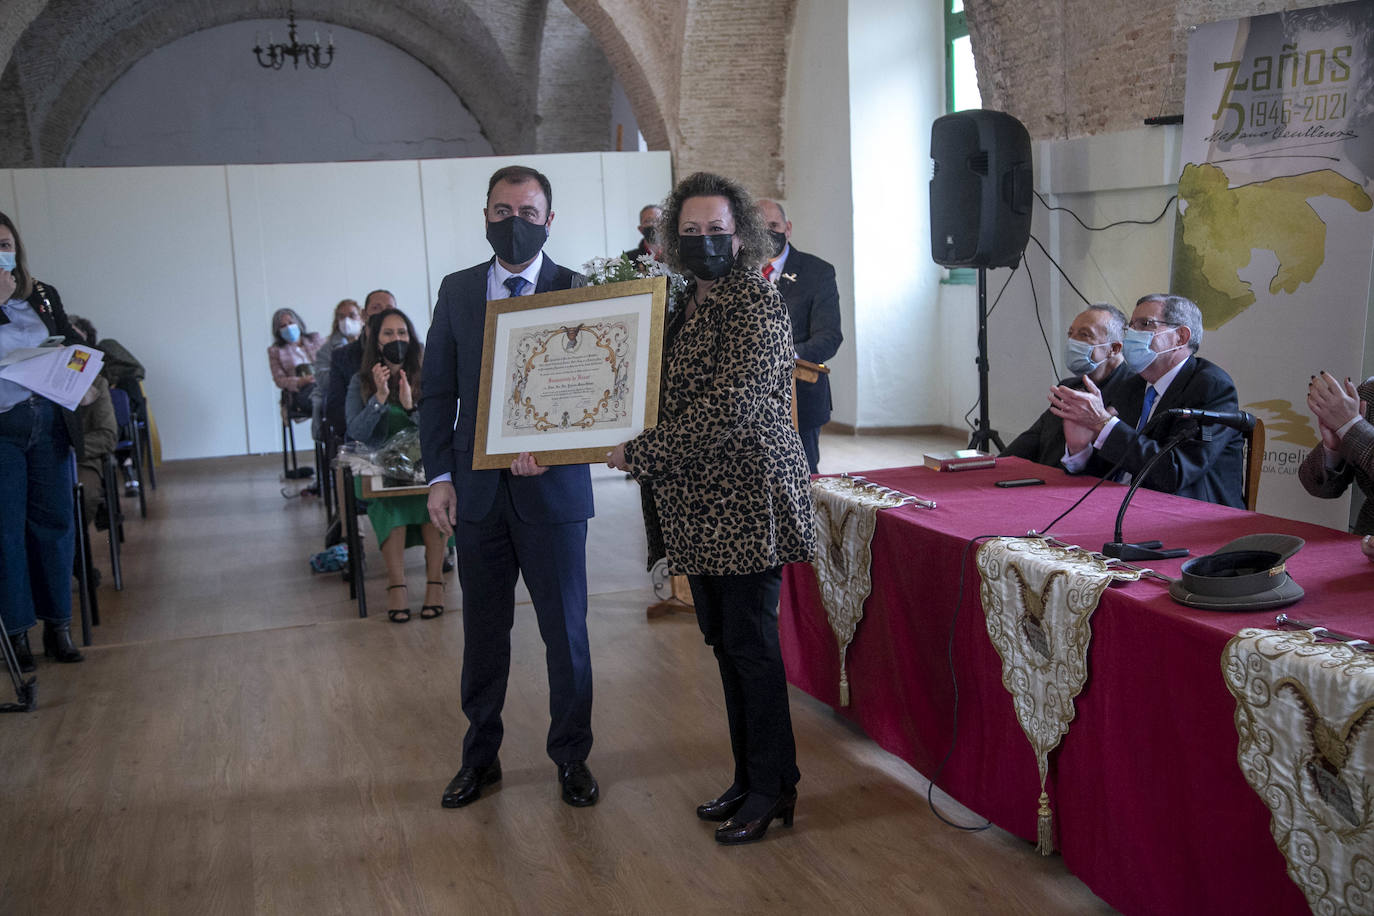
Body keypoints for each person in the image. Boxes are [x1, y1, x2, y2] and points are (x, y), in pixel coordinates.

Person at [608, 172, 816, 845]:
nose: (705, 241)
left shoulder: (754, 301)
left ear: (741, 235)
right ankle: (750, 776)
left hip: (747, 500)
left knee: (751, 648)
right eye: (691, 231)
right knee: (725, 645)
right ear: (673, 238)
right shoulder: (679, 303)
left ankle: (773, 788)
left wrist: (643, 451)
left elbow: (733, 407)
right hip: (698, 503)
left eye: (716, 230)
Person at [420, 165, 598, 810]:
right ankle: (480, 759)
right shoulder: (459, 290)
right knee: (484, 635)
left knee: (565, 635)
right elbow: (437, 391)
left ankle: (571, 757)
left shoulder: (579, 289)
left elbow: (598, 390)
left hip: (554, 494)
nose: (514, 223)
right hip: (477, 493)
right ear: (485, 216)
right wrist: (440, 476)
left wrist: (557, 449)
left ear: (549, 220)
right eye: (502, 211)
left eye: (527, 212)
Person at [1050, 293, 1245, 506]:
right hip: (1119, 504)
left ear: (1180, 337)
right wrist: (1080, 450)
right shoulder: (1132, 385)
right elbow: (1111, 467)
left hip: (1188, 512)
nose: (1132, 334)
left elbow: (1173, 472)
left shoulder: (1210, 387)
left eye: (1145, 324)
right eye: (1131, 326)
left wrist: (1103, 424)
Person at [0, 210, 84, 671]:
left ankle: (59, 627)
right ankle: (16, 636)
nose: (1, 253)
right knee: (6, 533)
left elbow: (71, 341)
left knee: (55, 525)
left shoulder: (41, 294)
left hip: (47, 421)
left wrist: (79, 366)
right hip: (3, 429)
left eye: (5, 244)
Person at [345, 308, 448, 623]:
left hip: (423, 467)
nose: (396, 339)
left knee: (433, 502)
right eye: (388, 334)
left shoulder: (426, 373)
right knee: (392, 508)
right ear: (376, 341)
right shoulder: (360, 381)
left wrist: (410, 406)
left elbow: (440, 427)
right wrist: (378, 398)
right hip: (381, 471)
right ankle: (397, 586)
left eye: (402, 333)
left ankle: (435, 583)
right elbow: (356, 432)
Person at [757, 199, 842, 474]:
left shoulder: (818, 272)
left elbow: (829, 336)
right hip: (750, 403)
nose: (768, 232)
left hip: (800, 395)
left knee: (804, 475)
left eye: (774, 225)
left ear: (788, 228)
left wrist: (788, 355)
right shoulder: (738, 274)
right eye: (760, 227)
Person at [1002, 304, 1130, 467]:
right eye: (1071, 334)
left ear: (1114, 348)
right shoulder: (1069, 387)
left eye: (1084, 335)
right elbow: (1031, 441)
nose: (1072, 342)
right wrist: (996, 466)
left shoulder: (1134, 391)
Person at [1298, 371, 1374, 534]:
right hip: (1362, 541)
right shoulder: (1369, 391)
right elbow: (1317, 487)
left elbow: (1355, 430)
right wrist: (1333, 449)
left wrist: (1351, 427)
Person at [326, 289, 395, 441]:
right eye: (376, 308)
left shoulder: (413, 351)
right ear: (364, 314)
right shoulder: (342, 356)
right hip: (362, 440)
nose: (383, 313)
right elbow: (335, 409)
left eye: (389, 308)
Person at [311, 298, 362, 440]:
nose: (347, 321)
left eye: (352, 315)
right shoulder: (326, 349)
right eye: (341, 317)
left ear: (361, 317)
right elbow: (322, 379)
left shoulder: (371, 344)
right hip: (340, 396)